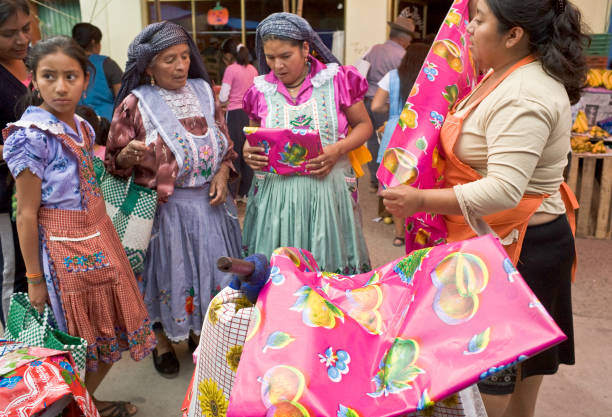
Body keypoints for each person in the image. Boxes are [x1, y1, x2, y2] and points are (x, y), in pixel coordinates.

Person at [382, 1, 586, 416]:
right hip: (501, 241)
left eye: (480, 20)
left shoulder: (526, 93)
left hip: (522, 250)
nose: (469, 29)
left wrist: (419, 200)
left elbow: (504, 190)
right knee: (510, 389)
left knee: (498, 388)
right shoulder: (501, 74)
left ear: (514, 35)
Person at [3, 36, 156, 417]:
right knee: (73, 341)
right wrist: (35, 280)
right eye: (49, 76)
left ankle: (82, 403)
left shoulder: (84, 128)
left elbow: (89, 177)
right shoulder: (30, 136)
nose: (60, 86)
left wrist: (121, 155)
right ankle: (71, 407)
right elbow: (25, 214)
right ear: (34, 81)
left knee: (110, 337)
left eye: (70, 76)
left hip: (101, 238)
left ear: (85, 79)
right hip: (61, 253)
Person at [106, 21, 241, 378]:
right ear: (148, 67)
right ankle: (163, 341)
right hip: (164, 213)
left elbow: (226, 144)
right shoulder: (136, 104)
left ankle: (201, 333)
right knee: (167, 276)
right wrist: (126, 157)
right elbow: (112, 160)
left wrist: (224, 173)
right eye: (169, 59)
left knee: (210, 273)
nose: (181, 65)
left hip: (209, 208)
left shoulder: (205, 92)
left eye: (184, 56)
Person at [242, 12, 372, 274]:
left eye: (285, 56)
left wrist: (337, 149)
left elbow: (364, 126)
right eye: (270, 57)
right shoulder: (260, 90)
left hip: (327, 192)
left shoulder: (337, 81)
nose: (277, 65)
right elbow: (253, 135)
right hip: (277, 199)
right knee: (281, 275)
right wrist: (249, 151)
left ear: (305, 48)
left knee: (326, 274)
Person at [371, 43, 429, 247]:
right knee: (420, 183)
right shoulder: (428, 76)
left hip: (395, 132)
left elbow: (375, 106)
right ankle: (420, 230)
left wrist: (393, 110)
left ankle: (399, 235)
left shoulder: (392, 76)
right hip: (421, 130)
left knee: (396, 184)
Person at [359, 7, 419, 191]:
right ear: (403, 39)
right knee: (387, 142)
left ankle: (373, 180)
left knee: (372, 142)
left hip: (367, 101)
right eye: (408, 41)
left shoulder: (374, 49)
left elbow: (362, 70)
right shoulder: (402, 56)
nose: (408, 45)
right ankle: (386, 180)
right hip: (386, 104)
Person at [0, 0, 31, 325]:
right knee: (13, 273)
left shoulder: (34, 64)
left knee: (34, 268)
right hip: (6, 195)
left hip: (40, 191)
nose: (21, 39)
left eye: (25, 29)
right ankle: (16, 350)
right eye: (9, 34)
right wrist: (23, 147)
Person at [219, 38, 258, 202]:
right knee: (249, 152)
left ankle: (232, 194)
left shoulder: (231, 70)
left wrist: (222, 102)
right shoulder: (253, 69)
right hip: (250, 115)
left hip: (234, 114)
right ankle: (246, 192)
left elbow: (222, 97)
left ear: (230, 55)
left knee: (234, 152)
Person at [72, 22, 123, 120]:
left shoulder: (66, 64)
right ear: (93, 42)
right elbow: (122, 97)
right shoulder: (107, 64)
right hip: (107, 124)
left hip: (76, 123)